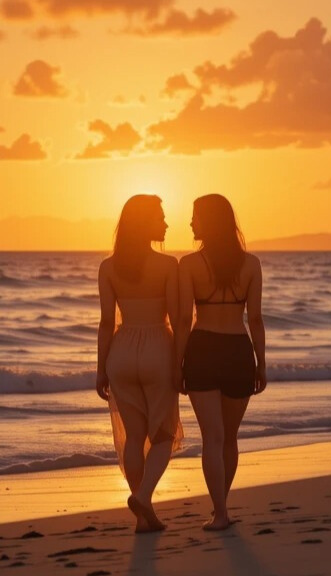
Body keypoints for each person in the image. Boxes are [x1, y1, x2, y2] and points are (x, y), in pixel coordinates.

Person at [175, 194, 266, 531]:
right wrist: (262, 363)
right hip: (238, 352)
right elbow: (255, 320)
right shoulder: (252, 264)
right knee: (229, 438)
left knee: (212, 438)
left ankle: (221, 512)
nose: (191, 223)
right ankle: (221, 508)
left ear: (209, 221)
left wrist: (177, 364)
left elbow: (184, 320)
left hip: (202, 350)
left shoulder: (189, 265)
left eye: (196, 216)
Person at [97, 194, 183, 533]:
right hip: (157, 349)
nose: (165, 223)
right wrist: (180, 361)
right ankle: (144, 497)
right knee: (163, 434)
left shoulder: (108, 267)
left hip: (121, 351)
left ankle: (141, 516)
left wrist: (101, 367)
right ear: (143, 223)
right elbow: (177, 319)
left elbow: (106, 322)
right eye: (159, 217)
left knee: (134, 436)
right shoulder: (168, 265)